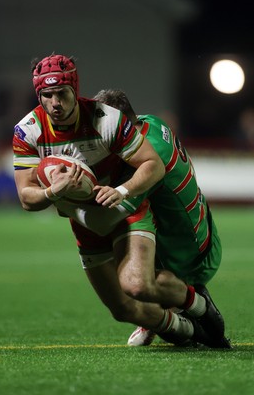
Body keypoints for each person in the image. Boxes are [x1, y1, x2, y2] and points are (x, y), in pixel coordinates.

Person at [13, 53, 229, 349]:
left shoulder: (105, 118)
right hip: (83, 221)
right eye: (46, 95)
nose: (55, 103)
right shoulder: (27, 131)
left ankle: (201, 309)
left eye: (62, 93)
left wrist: (123, 190)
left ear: (75, 90)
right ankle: (185, 330)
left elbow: (152, 165)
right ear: (39, 94)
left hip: (125, 209)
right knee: (122, 309)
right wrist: (53, 191)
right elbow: (26, 198)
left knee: (137, 285)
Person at [92, 89, 230, 347]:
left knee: (128, 270)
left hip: (188, 255)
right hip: (202, 232)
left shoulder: (146, 160)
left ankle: (185, 307)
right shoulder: (150, 123)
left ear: (119, 124)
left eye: (101, 126)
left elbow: (108, 213)